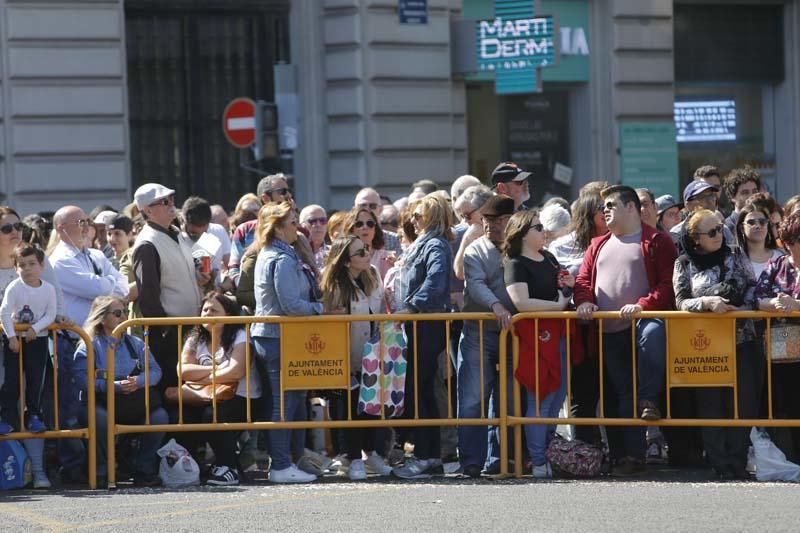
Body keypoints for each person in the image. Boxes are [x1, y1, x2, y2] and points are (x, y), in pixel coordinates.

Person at [574, 185, 677, 475]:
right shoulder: (597, 244)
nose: (604, 210)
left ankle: (636, 446)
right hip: (607, 330)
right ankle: (623, 456)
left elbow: (667, 287)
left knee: (634, 390)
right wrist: (583, 302)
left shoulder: (658, 240)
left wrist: (643, 305)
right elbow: (583, 281)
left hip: (644, 324)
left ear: (631, 207)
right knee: (618, 394)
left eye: (610, 204)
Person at [673, 209, 761, 479]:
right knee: (711, 404)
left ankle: (737, 460)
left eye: (720, 229)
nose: (719, 235)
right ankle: (719, 463)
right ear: (695, 238)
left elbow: (748, 285)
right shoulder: (684, 263)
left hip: (740, 338)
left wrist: (733, 302)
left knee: (743, 401)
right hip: (705, 344)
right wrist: (708, 303)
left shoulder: (734, 254)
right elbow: (681, 301)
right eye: (711, 232)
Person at [251, 202, 321, 483]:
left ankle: (285, 462)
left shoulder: (276, 253)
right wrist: (320, 308)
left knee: (289, 401)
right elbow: (291, 304)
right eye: (293, 222)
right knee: (283, 403)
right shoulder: (280, 258)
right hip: (277, 337)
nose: (298, 227)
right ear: (277, 228)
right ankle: (280, 465)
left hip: (276, 336)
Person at [504, 209, 574, 478]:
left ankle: (546, 451)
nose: (543, 230)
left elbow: (561, 288)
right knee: (540, 396)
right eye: (537, 227)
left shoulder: (549, 257)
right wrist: (558, 305)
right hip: (534, 336)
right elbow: (521, 302)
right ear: (522, 233)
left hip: (558, 332)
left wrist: (567, 285)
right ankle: (538, 459)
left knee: (558, 394)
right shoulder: (515, 263)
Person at [320, 236, 393, 480]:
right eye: (360, 252)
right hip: (346, 354)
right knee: (350, 406)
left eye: (366, 250)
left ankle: (371, 452)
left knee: (372, 404)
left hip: (373, 352)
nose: (366, 254)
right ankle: (353, 457)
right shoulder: (335, 284)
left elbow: (380, 308)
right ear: (346, 261)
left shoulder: (372, 275)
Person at [391, 195, 453, 479]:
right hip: (417, 323)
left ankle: (428, 456)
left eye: (419, 215)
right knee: (418, 390)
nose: (413, 220)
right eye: (413, 215)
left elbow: (436, 280)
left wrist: (411, 306)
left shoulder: (436, 243)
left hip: (425, 323)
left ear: (434, 217)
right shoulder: (422, 243)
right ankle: (428, 455)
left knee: (422, 390)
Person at [73, 296, 166, 486]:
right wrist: (113, 387)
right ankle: (100, 470)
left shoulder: (137, 343)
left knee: (160, 417)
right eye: (117, 313)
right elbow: (82, 380)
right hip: (100, 402)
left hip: (132, 402)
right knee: (98, 418)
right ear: (102, 318)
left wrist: (139, 381)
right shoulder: (88, 345)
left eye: (124, 311)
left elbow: (156, 371)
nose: (124, 316)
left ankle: (143, 468)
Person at [456, 195, 516, 478]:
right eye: (490, 220)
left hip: (514, 331)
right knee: (473, 398)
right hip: (479, 330)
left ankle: (502, 458)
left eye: (501, 220)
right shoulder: (474, 251)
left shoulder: (522, 248)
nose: (494, 226)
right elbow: (475, 284)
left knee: (509, 399)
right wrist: (496, 305)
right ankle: (471, 461)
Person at [178, 291, 261, 486]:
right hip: (206, 395)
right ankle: (190, 467)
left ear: (228, 315)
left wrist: (202, 376)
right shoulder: (195, 338)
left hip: (243, 397)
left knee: (212, 415)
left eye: (214, 310)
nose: (207, 314)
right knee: (183, 415)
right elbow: (183, 371)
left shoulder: (240, 336)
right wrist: (216, 370)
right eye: (205, 310)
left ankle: (228, 466)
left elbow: (235, 372)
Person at [132, 183, 205, 389]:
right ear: (148, 210)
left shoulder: (176, 233)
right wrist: (165, 330)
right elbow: (149, 297)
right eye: (164, 201)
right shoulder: (147, 243)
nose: (171, 204)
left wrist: (199, 277)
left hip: (190, 327)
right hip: (171, 332)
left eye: (171, 199)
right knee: (173, 390)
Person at [755, 210, 800, 462]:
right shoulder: (777, 264)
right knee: (785, 404)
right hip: (781, 349)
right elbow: (757, 299)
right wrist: (777, 304)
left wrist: (797, 305)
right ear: (790, 242)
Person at [670, 181, 734, 252]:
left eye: (712, 196)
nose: (710, 201)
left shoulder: (723, 229)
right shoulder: (676, 234)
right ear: (688, 205)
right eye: (702, 198)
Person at [453, 185, 493, 281]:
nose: (465, 221)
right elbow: (460, 273)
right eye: (462, 216)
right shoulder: (469, 235)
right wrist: (467, 239)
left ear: (484, 208)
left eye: (467, 215)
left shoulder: (509, 229)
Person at [736, 202, 784, 280]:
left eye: (762, 222)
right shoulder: (735, 260)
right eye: (751, 223)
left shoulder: (780, 257)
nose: (758, 226)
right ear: (742, 228)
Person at [344, 208, 395, 281]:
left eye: (370, 224)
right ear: (351, 228)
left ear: (375, 228)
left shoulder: (386, 258)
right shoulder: (344, 256)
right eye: (359, 224)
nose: (365, 227)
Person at [354, 188, 402, 255]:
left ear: (380, 209)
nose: (367, 209)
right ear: (354, 209)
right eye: (363, 205)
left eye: (373, 206)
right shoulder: (346, 238)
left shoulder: (394, 240)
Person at [722, 167, 762, 238]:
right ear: (732, 197)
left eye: (754, 191)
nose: (751, 196)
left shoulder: (763, 224)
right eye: (745, 192)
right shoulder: (727, 228)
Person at [299, 204, 329, 269]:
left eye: (322, 221)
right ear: (302, 226)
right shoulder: (294, 254)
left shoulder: (334, 253)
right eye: (312, 221)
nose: (318, 225)